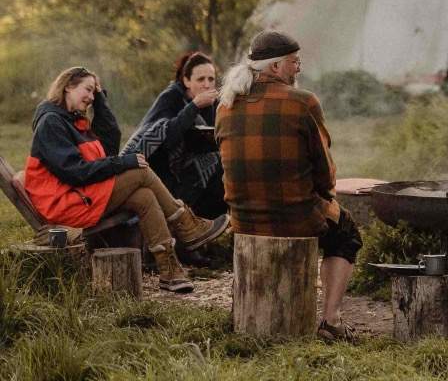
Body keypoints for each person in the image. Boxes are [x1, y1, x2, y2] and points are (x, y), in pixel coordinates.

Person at [24, 67, 230, 293]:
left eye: (95, 92)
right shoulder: (51, 123)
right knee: (140, 170)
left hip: (80, 195)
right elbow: (75, 172)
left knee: (144, 197)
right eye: (88, 90)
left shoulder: (73, 121)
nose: (91, 97)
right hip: (64, 204)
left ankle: (170, 271)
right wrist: (123, 163)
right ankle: (185, 224)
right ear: (68, 87)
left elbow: (111, 139)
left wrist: (101, 100)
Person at [216, 31, 362, 342]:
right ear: (274, 67)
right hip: (296, 218)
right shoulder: (303, 102)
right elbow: (325, 173)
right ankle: (331, 320)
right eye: (294, 62)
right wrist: (327, 199)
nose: (299, 68)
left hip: (242, 219)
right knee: (347, 234)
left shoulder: (225, 104)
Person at [123, 52, 226, 219]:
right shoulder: (170, 98)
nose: (207, 85)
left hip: (187, 167)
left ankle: (207, 225)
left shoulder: (213, 105)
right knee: (215, 165)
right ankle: (190, 222)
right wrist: (193, 106)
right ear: (186, 81)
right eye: (201, 79)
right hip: (159, 171)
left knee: (224, 164)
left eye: (211, 79)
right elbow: (164, 137)